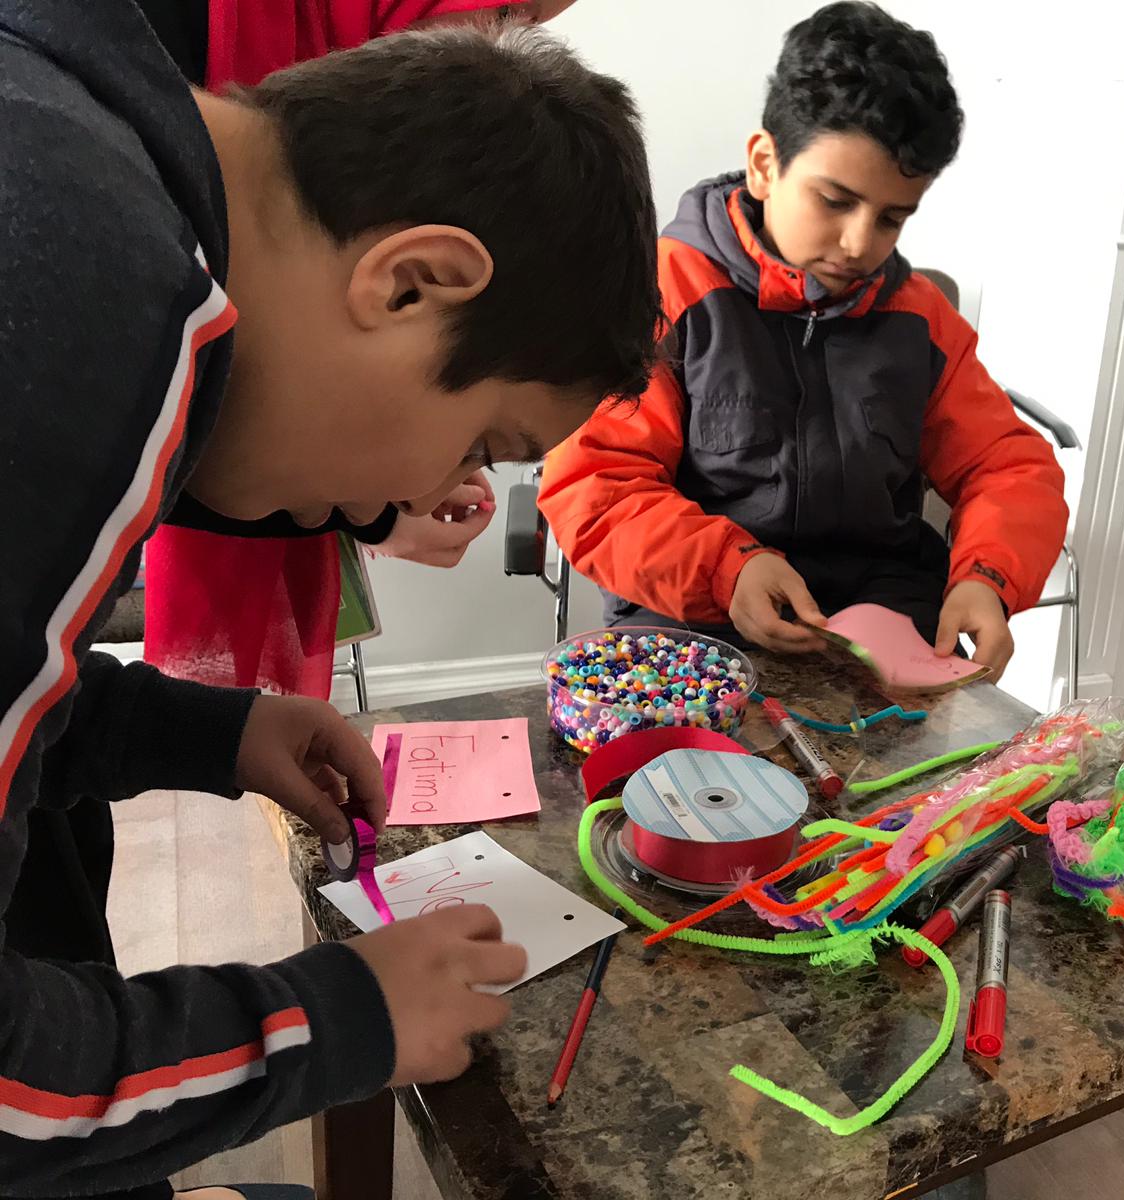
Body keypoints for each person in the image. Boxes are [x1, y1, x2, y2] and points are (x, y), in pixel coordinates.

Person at [0, 8, 657, 1198]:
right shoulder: (92, 296)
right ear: (412, 282)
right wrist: (339, 1014)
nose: (419, 498)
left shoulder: (64, 112)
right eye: (481, 441)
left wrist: (206, 729)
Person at [537, 0, 1067, 682]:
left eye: (892, 218)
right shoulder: (661, 294)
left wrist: (987, 578)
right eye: (835, 201)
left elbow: (1009, 465)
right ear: (764, 163)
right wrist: (729, 569)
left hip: (886, 620)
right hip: (694, 617)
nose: (859, 245)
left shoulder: (922, 318)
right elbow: (597, 483)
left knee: (943, 786)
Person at [137, 0, 582, 703]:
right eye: (504, 14)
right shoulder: (96, 278)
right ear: (409, 282)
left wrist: (193, 739)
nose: (496, 49)